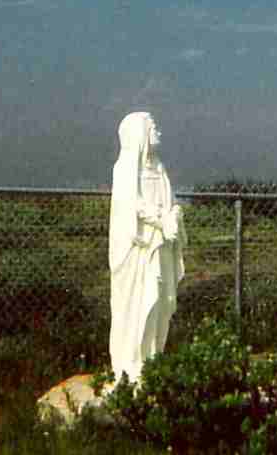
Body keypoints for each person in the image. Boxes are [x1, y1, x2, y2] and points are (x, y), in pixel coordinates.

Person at [108, 111, 183, 382]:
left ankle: (153, 359)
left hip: (160, 247)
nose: (158, 131)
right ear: (140, 135)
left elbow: (169, 201)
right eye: (153, 127)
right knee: (140, 304)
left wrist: (174, 215)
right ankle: (132, 365)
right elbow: (132, 205)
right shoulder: (125, 169)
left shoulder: (159, 168)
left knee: (162, 302)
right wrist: (162, 220)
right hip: (138, 251)